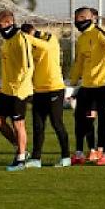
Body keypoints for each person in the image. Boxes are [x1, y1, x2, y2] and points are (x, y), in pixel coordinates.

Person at [69, 7, 105, 166]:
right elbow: (79, 62)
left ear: (90, 18)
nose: (78, 21)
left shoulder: (100, 32)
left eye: (81, 17)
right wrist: (71, 83)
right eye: (76, 18)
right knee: (81, 119)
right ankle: (81, 153)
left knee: (103, 121)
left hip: (103, 85)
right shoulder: (81, 39)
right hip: (86, 86)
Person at [20, 23, 70, 168]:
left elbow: (46, 46)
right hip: (37, 91)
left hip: (54, 88)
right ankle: (36, 159)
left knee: (57, 123)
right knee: (38, 125)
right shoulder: (28, 46)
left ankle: (66, 157)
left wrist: (27, 38)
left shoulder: (49, 38)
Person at [0, 10, 34, 172]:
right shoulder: (7, 41)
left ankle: (21, 158)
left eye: (1, 25)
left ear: (10, 23)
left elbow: (29, 66)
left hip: (20, 90)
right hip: (6, 89)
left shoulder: (21, 39)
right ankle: (20, 147)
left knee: (18, 123)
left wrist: (21, 87)